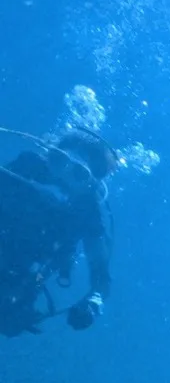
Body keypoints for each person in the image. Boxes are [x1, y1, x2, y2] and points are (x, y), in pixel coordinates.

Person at [0, 127, 117, 337]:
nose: (63, 176)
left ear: (90, 182)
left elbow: (101, 276)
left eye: (79, 173)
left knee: (9, 321)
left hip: (19, 275)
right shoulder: (26, 167)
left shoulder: (88, 213)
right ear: (49, 153)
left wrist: (92, 304)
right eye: (59, 160)